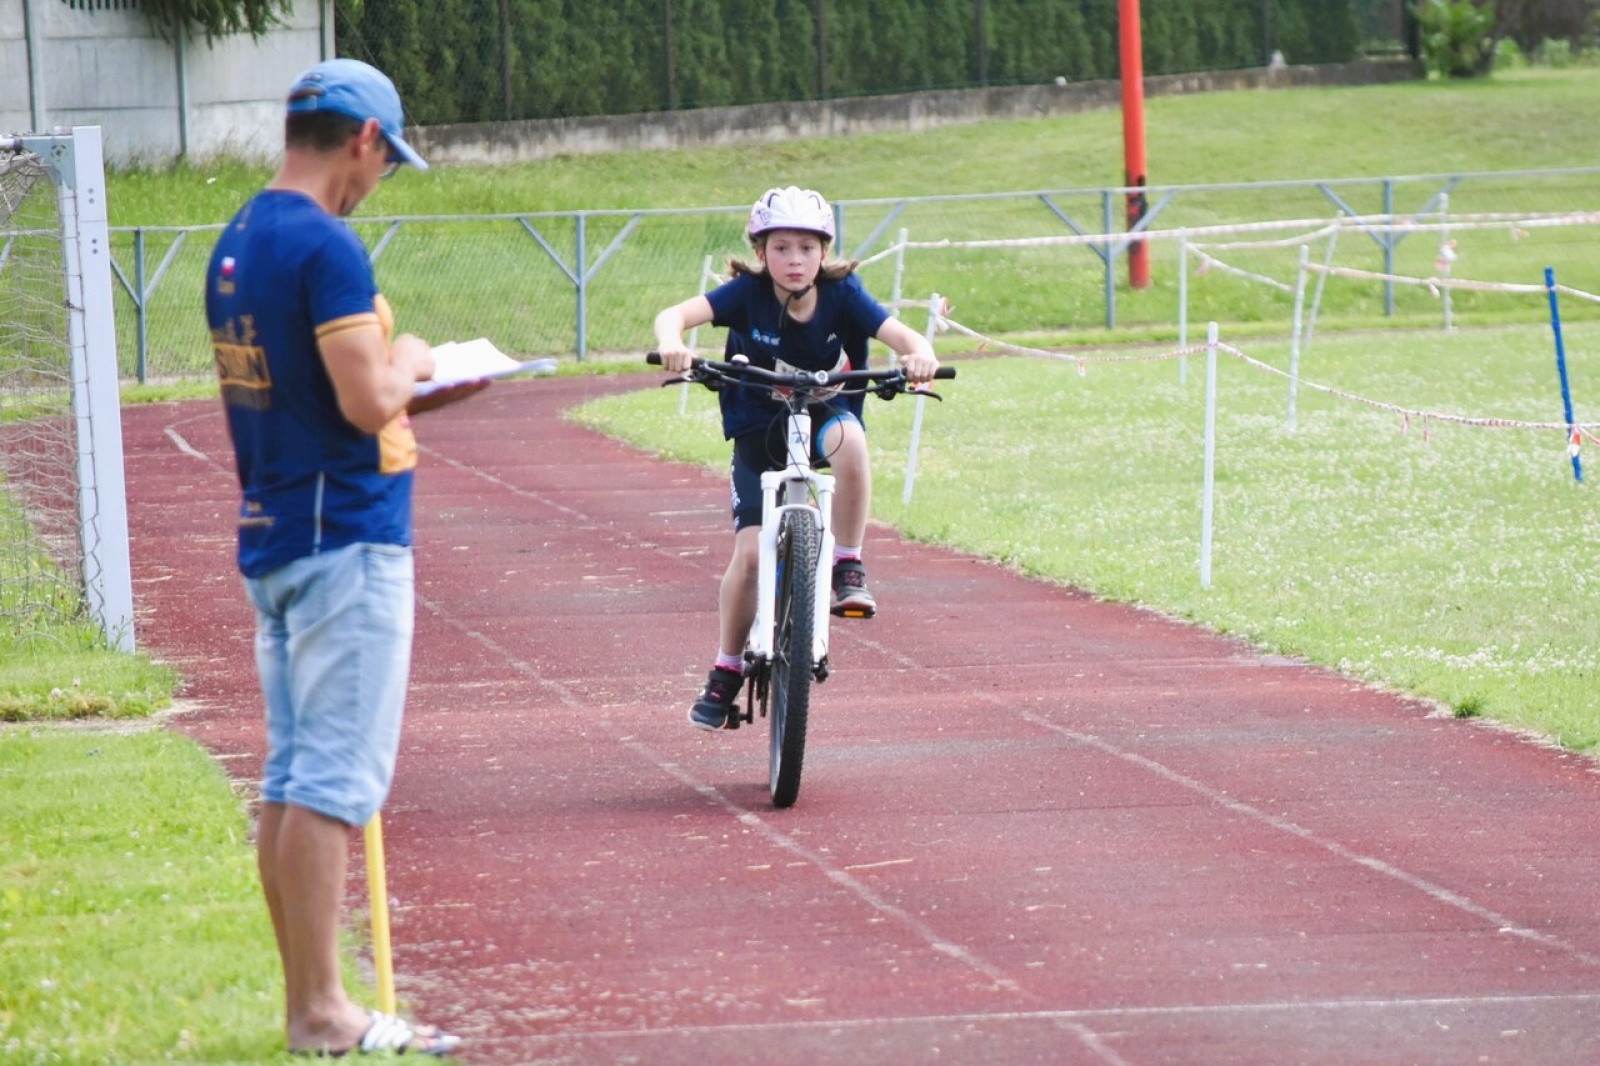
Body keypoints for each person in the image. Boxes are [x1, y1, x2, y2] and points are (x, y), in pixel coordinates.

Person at [204, 58, 482, 1057]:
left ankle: (307, 1002)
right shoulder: (326, 245)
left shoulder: (237, 235)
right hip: (344, 537)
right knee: (329, 779)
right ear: (363, 140)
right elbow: (368, 397)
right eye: (385, 163)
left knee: (290, 775)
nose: (378, 182)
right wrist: (420, 361)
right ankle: (323, 1009)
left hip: (276, 529)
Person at [653, 185, 940, 730]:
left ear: (824, 253)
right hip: (759, 432)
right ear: (761, 252)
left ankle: (847, 563)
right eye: (781, 247)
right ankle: (726, 667)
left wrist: (921, 355)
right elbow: (676, 315)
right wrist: (674, 343)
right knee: (753, 556)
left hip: (824, 419)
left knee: (852, 442)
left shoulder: (844, 294)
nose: (794, 259)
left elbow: (901, 335)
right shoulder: (744, 293)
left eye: (807, 248)